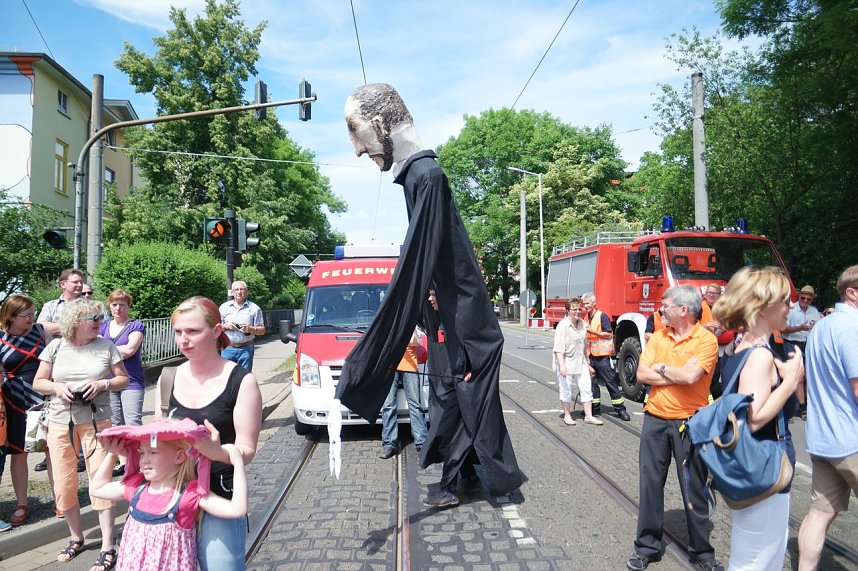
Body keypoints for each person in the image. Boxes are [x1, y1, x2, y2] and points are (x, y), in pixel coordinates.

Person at [336, 83, 524, 507]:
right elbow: (427, 263)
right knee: (452, 400)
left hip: (467, 329)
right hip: (455, 325)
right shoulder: (421, 177)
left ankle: (471, 480)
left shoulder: (427, 176)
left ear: (381, 124)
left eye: (355, 130)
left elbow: (414, 267)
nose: (357, 150)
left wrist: (369, 358)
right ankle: (464, 479)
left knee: (465, 401)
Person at [156, 296, 262, 570]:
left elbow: (247, 450)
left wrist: (217, 452)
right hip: (173, 495)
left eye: (193, 331)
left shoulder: (241, 381)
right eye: (178, 332)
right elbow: (159, 439)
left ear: (216, 332)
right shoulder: (168, 377)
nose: (183, 340)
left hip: (218, 494)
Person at [712, 267, 803, 570]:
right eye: (786, 301)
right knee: (757, 562)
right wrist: (791, 381)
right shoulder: (760, 355)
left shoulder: (738, 346)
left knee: (753, 556)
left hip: (751, 467)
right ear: (764, 307)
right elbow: (755, 418)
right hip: (765, 467)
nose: (791, 307)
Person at [626, 285, 723, 571]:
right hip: (655, 419)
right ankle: (647, 547)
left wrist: (662, 370)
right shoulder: (657, 337)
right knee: (650, 484)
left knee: (693, 488)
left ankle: (703, 554)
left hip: (690, 422)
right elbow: (642, 374)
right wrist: (675, 373)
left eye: (665, 305)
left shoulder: (706, 340)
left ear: (683, 310)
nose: (660, 309)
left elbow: (694, 377)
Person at [32, 297, 129, 571]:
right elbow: (39, 382)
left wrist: (103, 383)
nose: (101, 323)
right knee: (63, 484)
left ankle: (108, 545)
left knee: (101, 480)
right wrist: (57, 388)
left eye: (101, 319)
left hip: (98, 422)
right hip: (60, 421)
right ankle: (76, 538)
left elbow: (123, 379)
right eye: (95, 319)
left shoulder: (106, 346)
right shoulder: (56, 346)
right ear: (77, 322)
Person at [90, 419, 248, 571]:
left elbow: (237, 509)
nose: (144, 460)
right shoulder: (137, 487)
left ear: (179, 457)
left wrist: (238, 463)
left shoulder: (188, 495)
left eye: (153, 452)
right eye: (142, 452)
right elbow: (97, 489)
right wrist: (112, 454)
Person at [798, 265, 858, 571]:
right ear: (851, 292)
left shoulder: (822, 325)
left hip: (823, 439)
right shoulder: (851, 328)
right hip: (852, 439)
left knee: (819, 513)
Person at [0, 294, 52, 528]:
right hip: (13, 400)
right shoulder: (0, 337)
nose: (32, 318)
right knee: (19, 453)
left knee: (52, 449)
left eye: (33, 313)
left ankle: (60, 497)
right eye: (27, 315)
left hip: (43, 398)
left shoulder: (40, 331)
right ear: (11, 316)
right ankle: (22, 503)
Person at [99, 289, 146, 476]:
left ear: (128, 306)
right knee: (116, 423)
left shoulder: (136, 326)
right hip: (109, 381)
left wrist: (107, 349)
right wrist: (117, 350)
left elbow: (130, 350)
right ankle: (125, 463)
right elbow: (116, 350)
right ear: (109, 306)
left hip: (132, 381)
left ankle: (142, 459)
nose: (118, 308)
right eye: (114, 304)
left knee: (133, 422)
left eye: (122, 305)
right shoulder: (102, 326)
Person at [379, 327, 428, 459]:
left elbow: (417, 340)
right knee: (388, 405)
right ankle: (389, 443)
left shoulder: (408, 313)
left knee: (415, 404)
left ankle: (422, 441)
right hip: (389, 366)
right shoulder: (387, 315)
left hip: (409, 364)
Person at [581, 292, 630, 421]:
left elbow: (609, 335)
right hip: (590, 357)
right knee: (592, 384)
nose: (585, 306)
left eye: (587, 303)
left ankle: (620, 409)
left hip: (602, 357)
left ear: (594, 303)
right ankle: (594, 408)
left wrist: (591, 331)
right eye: (584, 304)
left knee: (610, 383)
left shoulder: (602, 316)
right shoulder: (585, 318)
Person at [553, 298, 602, 426]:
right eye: (574, 309)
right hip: (566, 362)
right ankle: (567, 415)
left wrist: (587, 363)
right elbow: (558, 349)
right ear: (568, 311)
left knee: (586, 388)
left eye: (578, 309)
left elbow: (584, 344)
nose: (577, 312)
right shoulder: (562, 326)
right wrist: (562, 366)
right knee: (566, 389)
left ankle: (589, 416)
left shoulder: (581, 324)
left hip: (580, 362)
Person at [219, 281, 265, 371]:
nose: (239, 292)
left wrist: (251, 329)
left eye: (242, 289)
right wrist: (225, 326)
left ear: (246, 292)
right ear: (232, 292)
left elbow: (262, 330)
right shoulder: (224, 307)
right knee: (226, 376)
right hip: (227, 349)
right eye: (236, 289)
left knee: (244, 378)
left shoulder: (255, 309)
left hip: (246, 349)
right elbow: (215, 329)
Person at [37, 268, 84, 338]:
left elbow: (91, 328)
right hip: (56, 347)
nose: (80, 285)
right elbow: (40, 327)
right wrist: (73, 326)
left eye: (81, 282)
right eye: (75, 282)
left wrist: (55, 327)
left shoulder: (89, 306)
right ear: (63, 284)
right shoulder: (50, 306)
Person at [783, 285, 821, 354]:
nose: (805, 300)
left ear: (812, 299)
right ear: (799, 296)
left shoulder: (814, 311)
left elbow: (819, 329)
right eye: (803, 298)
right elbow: (783, 329)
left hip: (809, 346)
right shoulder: (790, 309)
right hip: (791, 345)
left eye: (808, 299)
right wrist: (800, 328)